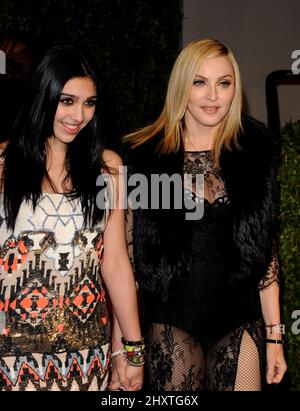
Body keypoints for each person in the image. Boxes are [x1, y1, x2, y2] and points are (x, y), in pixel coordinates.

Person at [123, 38, 287, 391]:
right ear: (182, 85)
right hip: (171, 322)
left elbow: (265, 251)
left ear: (235, 89)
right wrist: (125, 348)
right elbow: (128, 265)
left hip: (240, 320)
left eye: (223, 83)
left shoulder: (254, 154)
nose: (213, 95)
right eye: (200, 82)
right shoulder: (146, 159)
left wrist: (275, 338)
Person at [0, 45, 144, 391]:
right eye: (67, 101)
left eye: (89, 103)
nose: (78, 115)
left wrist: (132, 350)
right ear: (43, 96)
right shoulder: (4, 164)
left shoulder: (108, 167)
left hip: (86, 358)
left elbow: (116, 264)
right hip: (9, 356)